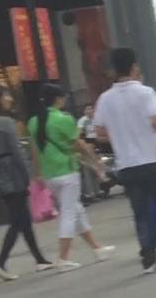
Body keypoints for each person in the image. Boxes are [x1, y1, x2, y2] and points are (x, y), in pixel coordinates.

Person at [93, 48, 156, 274]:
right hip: (152, 158)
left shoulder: (105, 99)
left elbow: (99, 132)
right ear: (134, 67)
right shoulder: (146, 92)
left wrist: (120, 134)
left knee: (140, 212)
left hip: (126, 164)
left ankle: (148, 259)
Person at [28, 84, 115, 270]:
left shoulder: (33, 122)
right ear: (58, 99)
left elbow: (34, 151)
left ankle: (97, 248)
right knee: (69, 213)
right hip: (66, 171)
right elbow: (79, 145)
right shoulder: (63, 119)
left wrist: (37, 174)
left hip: (49, 174)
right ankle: (63, 258)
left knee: (76, 209)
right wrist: (96, 162)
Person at [0, 84, 52, 281]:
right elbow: (17, 152)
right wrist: (28, 175)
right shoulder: (4, 122)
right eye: (5, 95)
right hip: (12, 171)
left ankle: (39, 259)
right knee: (18, 220)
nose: (9, 98)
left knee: (23, 218)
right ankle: (0, 263)